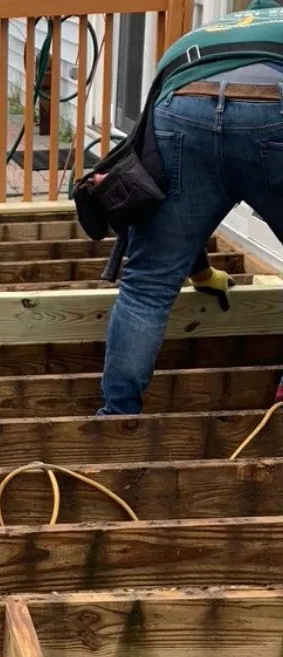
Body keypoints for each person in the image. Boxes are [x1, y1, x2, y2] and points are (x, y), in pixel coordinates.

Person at [100, 0, 283, 415]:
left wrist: (199, 272)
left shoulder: (210, 33)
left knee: (146, 285)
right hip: (273, 108)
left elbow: (172, 199)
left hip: (183, 106)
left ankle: (116, 417)